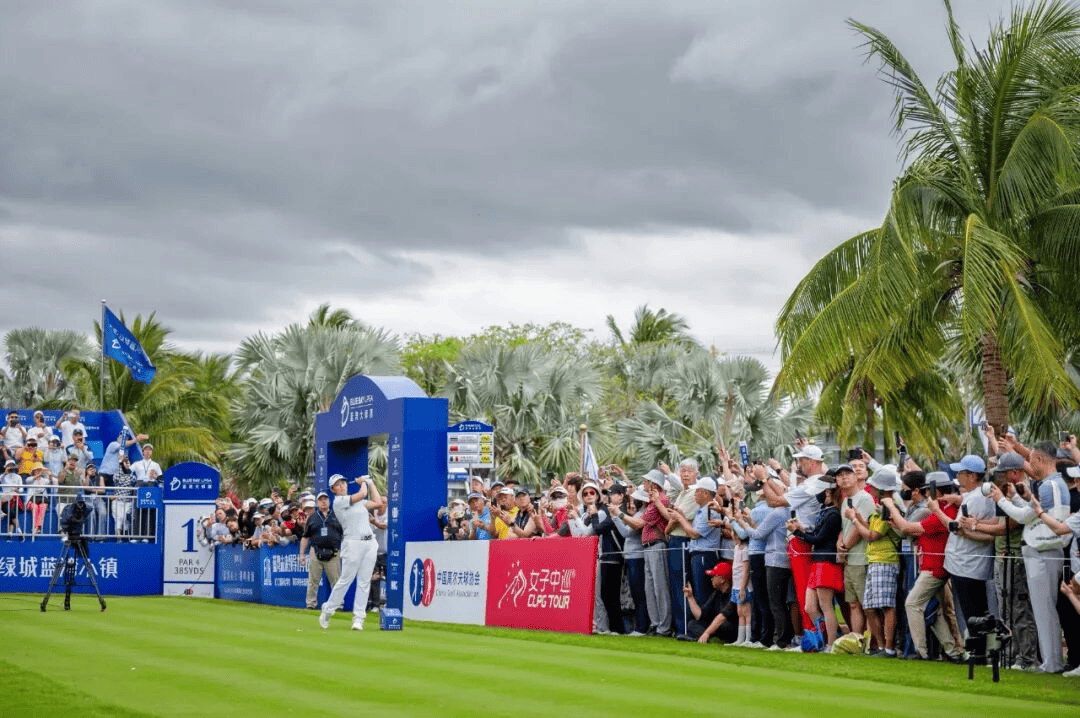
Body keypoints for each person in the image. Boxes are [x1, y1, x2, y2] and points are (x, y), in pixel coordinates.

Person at [988, 442, 1072, 673]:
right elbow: (1033, 514)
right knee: (1044, 610)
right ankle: (1050, 661)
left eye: (1032, 459)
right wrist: (1016, 498)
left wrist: (1001, 500)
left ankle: (1052, 663)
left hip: (1044, 552)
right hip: (1043, 551)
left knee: (1045, 611)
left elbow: (1025, 517)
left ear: (1041, 460)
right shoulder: (1052, 484)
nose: (1029, 464)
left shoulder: (1050, 485)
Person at [884, 470, 965, 662]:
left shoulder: (943, 512)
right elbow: (913, 531)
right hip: (930, 564)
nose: (926, 494)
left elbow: (907, 527)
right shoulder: (943, 509)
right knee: (933, 609)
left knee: (912, 603)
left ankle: (921, 651)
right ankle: (952, 651)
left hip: (935, 567)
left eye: (928, 491)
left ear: (936, 491)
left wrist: (891, 506)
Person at [930, 454, 996, 662]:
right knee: (973, 611)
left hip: (968, 563)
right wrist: (957, 499)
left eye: (961, 473)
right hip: (967, 562)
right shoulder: (975, 495)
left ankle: (978, 654)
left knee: (972, 612)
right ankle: (978, 652)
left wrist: (936, 510)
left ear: (972, 476)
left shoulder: (977, 498)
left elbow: (956, 528)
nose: (958, 476)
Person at [319, 474, 385, 631]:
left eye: (343, 482)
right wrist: (363, 483)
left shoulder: (360, 503)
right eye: (337, 485)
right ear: (333, 489)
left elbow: (378, 502)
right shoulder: (339, 502)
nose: (342, 486)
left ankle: (359, 618)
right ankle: (328, 609)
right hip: (352, 543)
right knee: (346, 580)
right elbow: (362, 493)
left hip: (370, 543)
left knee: (364, 581)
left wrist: (370, 482)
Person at [790, 471, 845, 650]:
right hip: (817, 562)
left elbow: (818, 539)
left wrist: (798, 532)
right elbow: (815, 534)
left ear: (828, 492)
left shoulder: (833, 514)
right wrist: (801, 529)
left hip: (826, 562)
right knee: (810, 607)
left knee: (826, 605)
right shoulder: (825, 511)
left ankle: (830, 644)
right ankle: (825, 636)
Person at [640, 469, 673, 636]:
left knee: (660, 588)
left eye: (646, 481)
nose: (644, 484)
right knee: (650, 588)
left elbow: (639, 524)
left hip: (657, 545)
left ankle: (664, 627)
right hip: (648, 547)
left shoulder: (661, 500)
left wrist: (619, 515)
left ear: (654, 484)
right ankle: (655, 624)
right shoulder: (652, 501)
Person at [300, 492, 343, 610]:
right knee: (313, 580)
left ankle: (338, 604)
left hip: (334, 551)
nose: (323, 502)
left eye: (325, 499)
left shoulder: (337, 515)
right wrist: (302, 554)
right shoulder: (312, 517)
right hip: (316, 550)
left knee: (336, 580)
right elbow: (305, 537)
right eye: (320, 500)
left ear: (329, 501)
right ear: (317, 503)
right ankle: (311, 603)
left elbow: (344, 533)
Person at [681, 561, 739, 644]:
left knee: (724, 625)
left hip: (730, 627)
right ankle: (708, 638)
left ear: (722, 580)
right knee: (692, 624)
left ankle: (707, 637)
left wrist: (707, 633)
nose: (712, 579)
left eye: (714, 576)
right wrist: (690, 597)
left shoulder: (734, 594)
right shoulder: (717, 593)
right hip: (717, 627)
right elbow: (700, 615)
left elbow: (722, 617)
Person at [24, 463, 55, 535]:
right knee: (35, 507)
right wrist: (38, 475)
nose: (38, 471)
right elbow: (28, 481)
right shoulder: (30, 479)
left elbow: (52, 483)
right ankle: (36, 527)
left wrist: (48, 474)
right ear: (34, 471)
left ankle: (37, 528)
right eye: (36, 470)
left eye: (40, 470)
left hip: (42, 500)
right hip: (31, 500)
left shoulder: (45, 480)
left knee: (42, 507)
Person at [1, 459, 25, 534]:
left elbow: (21, 489)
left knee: (11, 511)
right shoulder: (3, 476)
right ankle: (18, 529)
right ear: (6, 466)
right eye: (9, 465)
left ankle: (10, 532)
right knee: (10, 511)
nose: (10, 467)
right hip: (5, 499)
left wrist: (17, 489)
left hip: (15, 498)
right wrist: (5, 472)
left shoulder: (18, 477)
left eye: (12, 465)